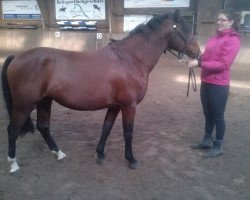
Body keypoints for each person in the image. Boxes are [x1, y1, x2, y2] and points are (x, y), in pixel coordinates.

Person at [187, 9, 241, 158]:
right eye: (218, 19)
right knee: (208, 114)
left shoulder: (233, 40)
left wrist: (198, 64)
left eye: (223, 20)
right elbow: (206, 56)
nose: (219, 22)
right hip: (206, 81)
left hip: (219, 84)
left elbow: (223, 64)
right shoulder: (214, 38)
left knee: (218, 116)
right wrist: (197, 58)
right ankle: (207, 140)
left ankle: (218, 145)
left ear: (231, 22)